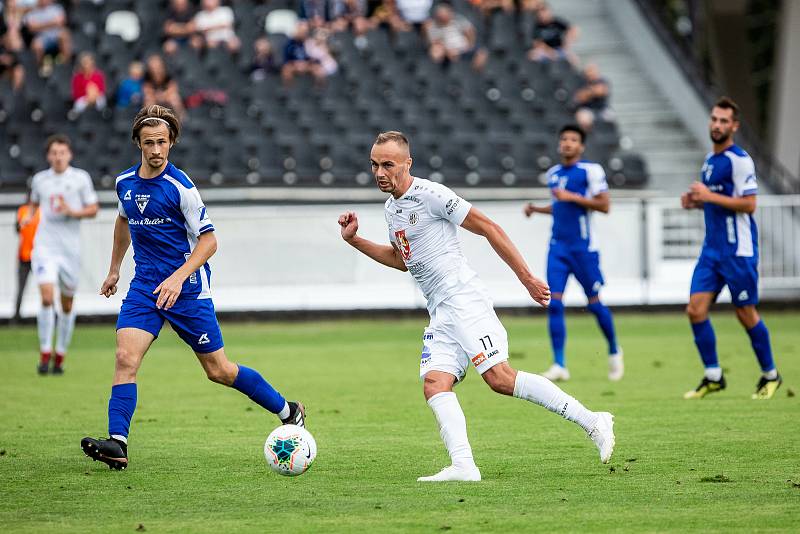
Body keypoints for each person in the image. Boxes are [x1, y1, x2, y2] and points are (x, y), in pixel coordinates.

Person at [337, 131, 615, 482]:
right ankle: (464, 466)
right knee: (435, 384)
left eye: (388, 164)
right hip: (440, 310)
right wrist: (355, 240)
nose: (379, 172)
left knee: (500, 379)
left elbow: (488, 227)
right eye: (374, 164)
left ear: (407, 163)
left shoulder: (432, 195)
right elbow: (401, 259)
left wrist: (526, 277)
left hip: (464, 299)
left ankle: (593, 421)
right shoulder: (392, 208)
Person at [80, 105, 306, 470]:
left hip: (187, 291)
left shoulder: (181, 187)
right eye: (149, 142)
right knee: (125, 358)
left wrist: (178, 276)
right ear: (138, 143)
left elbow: (209, 241)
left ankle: (288, 409)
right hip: (145, 288)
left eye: (163, 142)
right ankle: (117, 444)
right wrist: (113, 270)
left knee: (219, 370)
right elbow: (123, 222)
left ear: (171, 143)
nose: (156, 150)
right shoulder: (125, 183)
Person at [680, 97, 781, 400]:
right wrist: (695, 202)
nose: (717, 125)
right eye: (714, 119)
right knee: (695, 310)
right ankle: (714, 376)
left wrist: (708, 196)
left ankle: (771, 375)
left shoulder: (740, 161)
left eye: (724, 121)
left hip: (738, 251)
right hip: (712, 251)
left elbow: (749, 204)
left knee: (745, 313)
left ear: (734, 126)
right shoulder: (710, 161)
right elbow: (715, 201)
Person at [523, 125, 622, 382]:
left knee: (595, 304)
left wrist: (572, 196)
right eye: (564, 138)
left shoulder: (591, 171)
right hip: (558, 248)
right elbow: (560, 207)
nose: (567, 143)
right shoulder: (554, 173)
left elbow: (604, 205)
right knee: (553, 302)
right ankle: (559, 364)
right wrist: (537, 209)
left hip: (584, 249)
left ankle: (613, 350)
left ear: (581, 146)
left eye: (573, 139)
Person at [30, 134, 99, 375]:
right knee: (47, 297)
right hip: (45, 246)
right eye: (54, 153)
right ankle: (45, 352)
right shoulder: (40, 180)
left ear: (69, 154)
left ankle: (60, 354)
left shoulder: (80, 179)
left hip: (70, 249)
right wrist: (28, 219)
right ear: (49, 156)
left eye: (62, 152)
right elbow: (33, 204)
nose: (58, 157)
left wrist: (73, 211)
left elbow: (93, 209)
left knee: (66, 304)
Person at [23, 0, 71, 70]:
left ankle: (66, 66)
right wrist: (52, 23)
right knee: (36, 45)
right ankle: (39, 69)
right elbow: (32, 28)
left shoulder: (57, 8)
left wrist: (40, 26)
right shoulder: (32, 11)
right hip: (42, 38)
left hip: (56, 36)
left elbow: (61, 22)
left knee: (64, 34)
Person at [13, 194, 40, 322]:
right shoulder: (22, 210)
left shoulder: (42, 211)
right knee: (21, 288)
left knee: (45, 287)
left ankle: (47, 316)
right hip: (24, 256)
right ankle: (16, 316)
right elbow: (17, 229)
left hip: (40, 256)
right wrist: (22, 223)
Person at [573, 64, 613, 132]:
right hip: (587, 109)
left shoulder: (602, 80)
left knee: (611, 117)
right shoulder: (582, 81)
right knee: (583, 118)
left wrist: (588, 92)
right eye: (589, 71)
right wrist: (593, 91)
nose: (591, 73)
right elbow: (580, 97)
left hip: (602, 109)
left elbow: (602, 91)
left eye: (593, 71)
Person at [142, 54, 184, 119]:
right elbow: (146, 89)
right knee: (148, 100)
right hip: (153, 96)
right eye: (153, 65)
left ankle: (182, 119)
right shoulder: (147, 74)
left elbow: (173, 88)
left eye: (157, 65)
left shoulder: (167, 72)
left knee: (175, 98)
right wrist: (155, 95)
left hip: (167, 95)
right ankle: (148, 120)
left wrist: (164, 95)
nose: (155, 68)